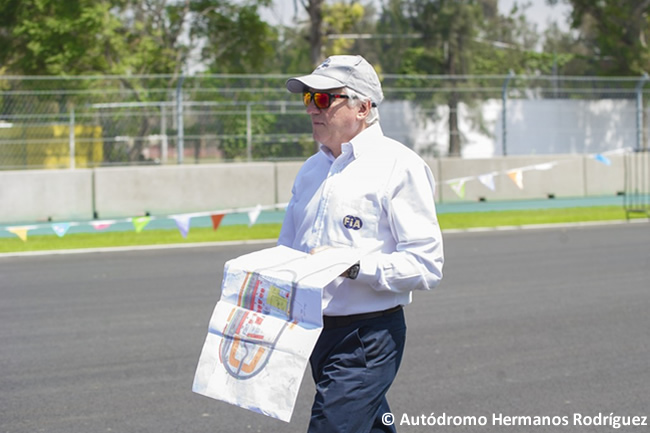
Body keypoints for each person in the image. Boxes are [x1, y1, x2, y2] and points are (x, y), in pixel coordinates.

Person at [278, 54, 444, 433]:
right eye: (307, 99)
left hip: (368, 336)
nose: (311, 109)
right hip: (316, 332)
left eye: (323, 99)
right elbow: (288, 250)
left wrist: (353, 265)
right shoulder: (311, 169)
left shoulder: (400, 165)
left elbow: (427, 265)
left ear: (363, 107)